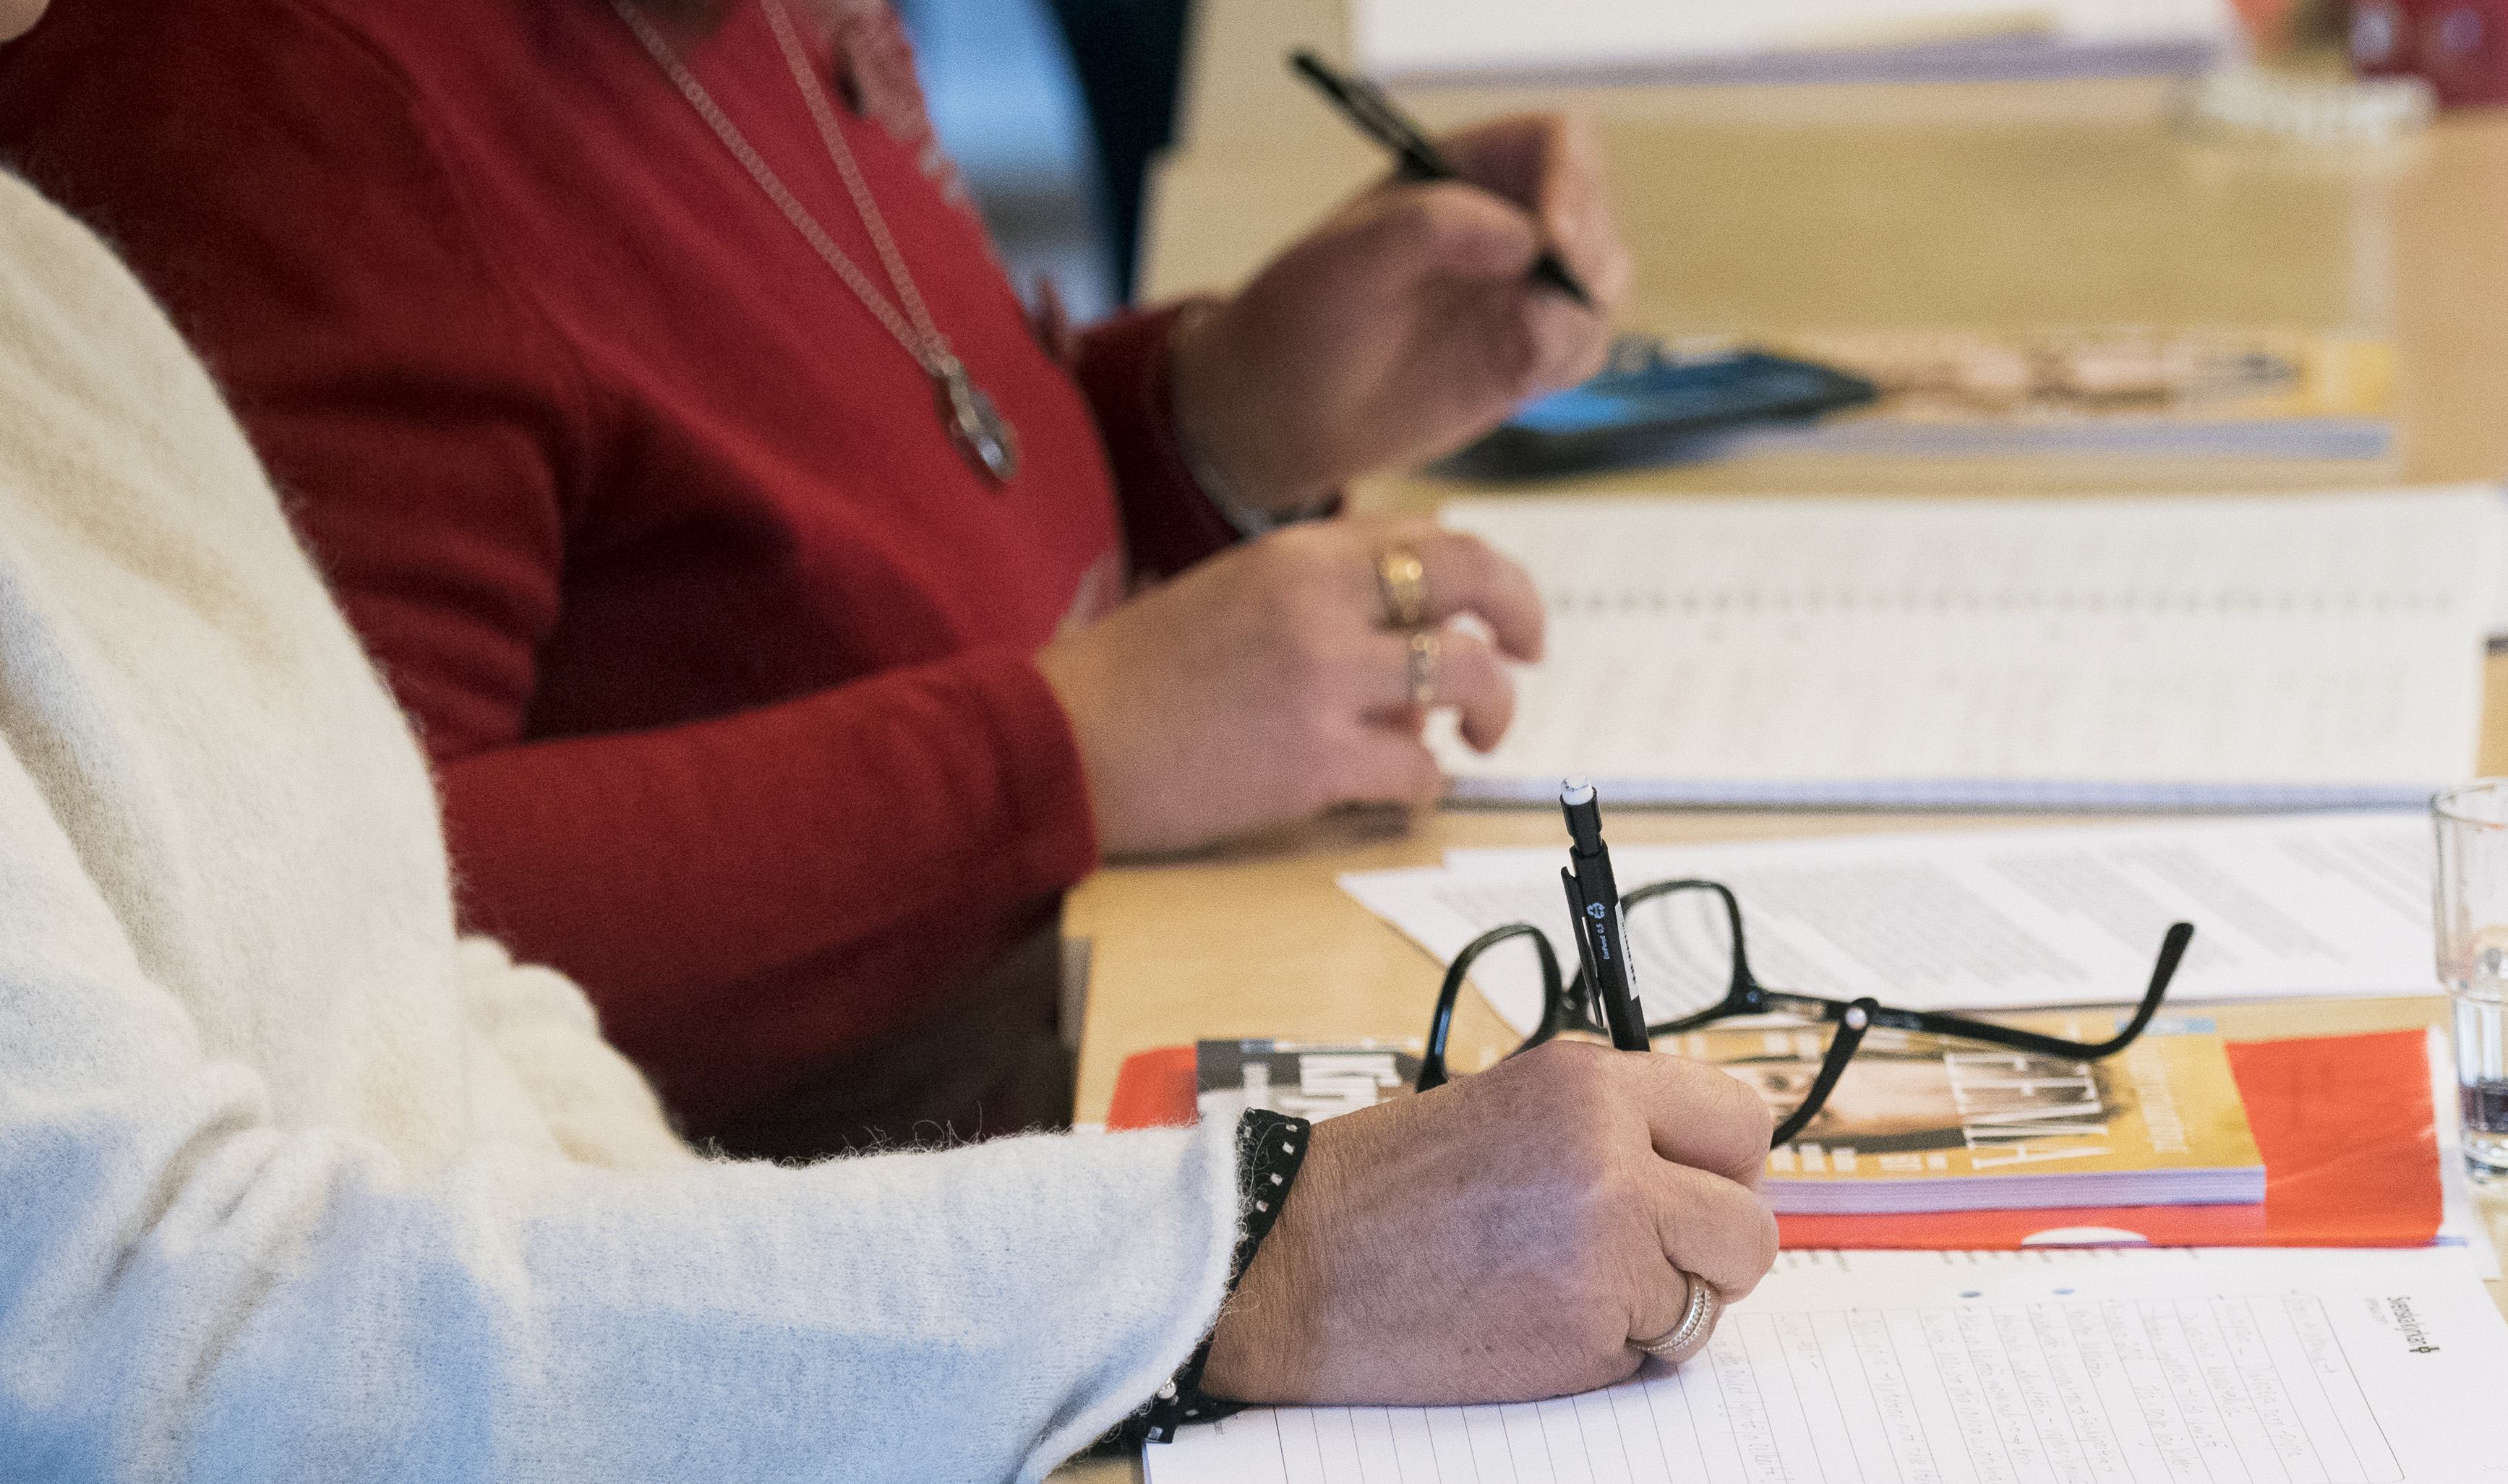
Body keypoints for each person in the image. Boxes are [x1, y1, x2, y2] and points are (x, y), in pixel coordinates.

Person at [0, 9, 1768, 1484]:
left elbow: (381, 930)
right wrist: (1232, 1263)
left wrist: (1195, 440)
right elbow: (147, 1392)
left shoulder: (37, 269)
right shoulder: (274, 84)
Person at [0, 0, 1630, 1159]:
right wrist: (1057, 751)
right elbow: (329, 935)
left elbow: (865, 518)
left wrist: (1213, 427)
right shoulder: (283, 99)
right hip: (755, 1249)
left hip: (1034, 1027)